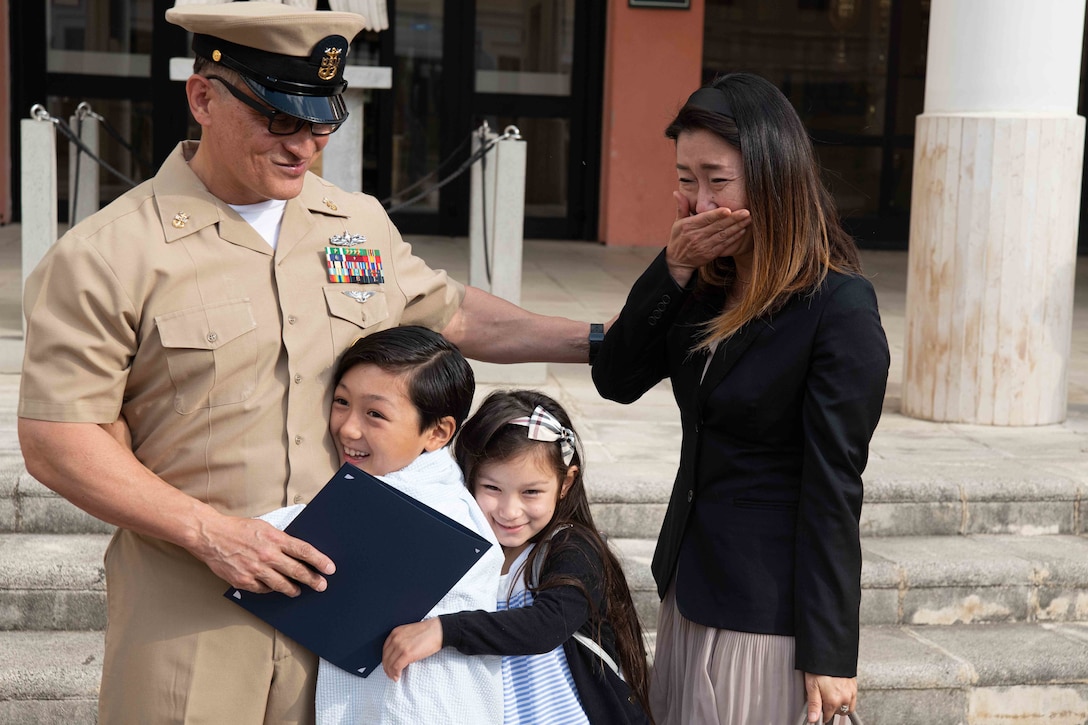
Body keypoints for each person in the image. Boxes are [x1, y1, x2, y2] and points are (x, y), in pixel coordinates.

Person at [16, 3, 606, 722]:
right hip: (192, 618)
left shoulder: (352, 224)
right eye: (280, 120)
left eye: (322, 123)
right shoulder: (108, 253)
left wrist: (601, 341)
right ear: (203, 96)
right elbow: (59, 436)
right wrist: (212, 533)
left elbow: (448, 313)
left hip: (342, 628)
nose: (305, 146)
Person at [591, 72, 890, 725]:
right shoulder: (705, 284)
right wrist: (670, 268)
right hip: (689, 585)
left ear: (774, 174)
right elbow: (615, 377)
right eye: (686, 178)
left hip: (766, 611)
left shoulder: (838, 307)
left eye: (717, 179)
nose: (698, 202)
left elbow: (834, 486)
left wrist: (832, 650)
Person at [258, 326, 503, 724]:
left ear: (437, 432)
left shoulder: (423, 512)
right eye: (341, 402)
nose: (348, 428)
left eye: (375, 414)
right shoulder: (432, 492)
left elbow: (278, 533)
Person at [382, 390, 653, 725]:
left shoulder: (572, 548)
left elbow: (547, 624)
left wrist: (443, 631)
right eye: (492, 488)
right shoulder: (464, 547)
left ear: (565, 482)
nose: (510, 511)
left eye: (531, 492)